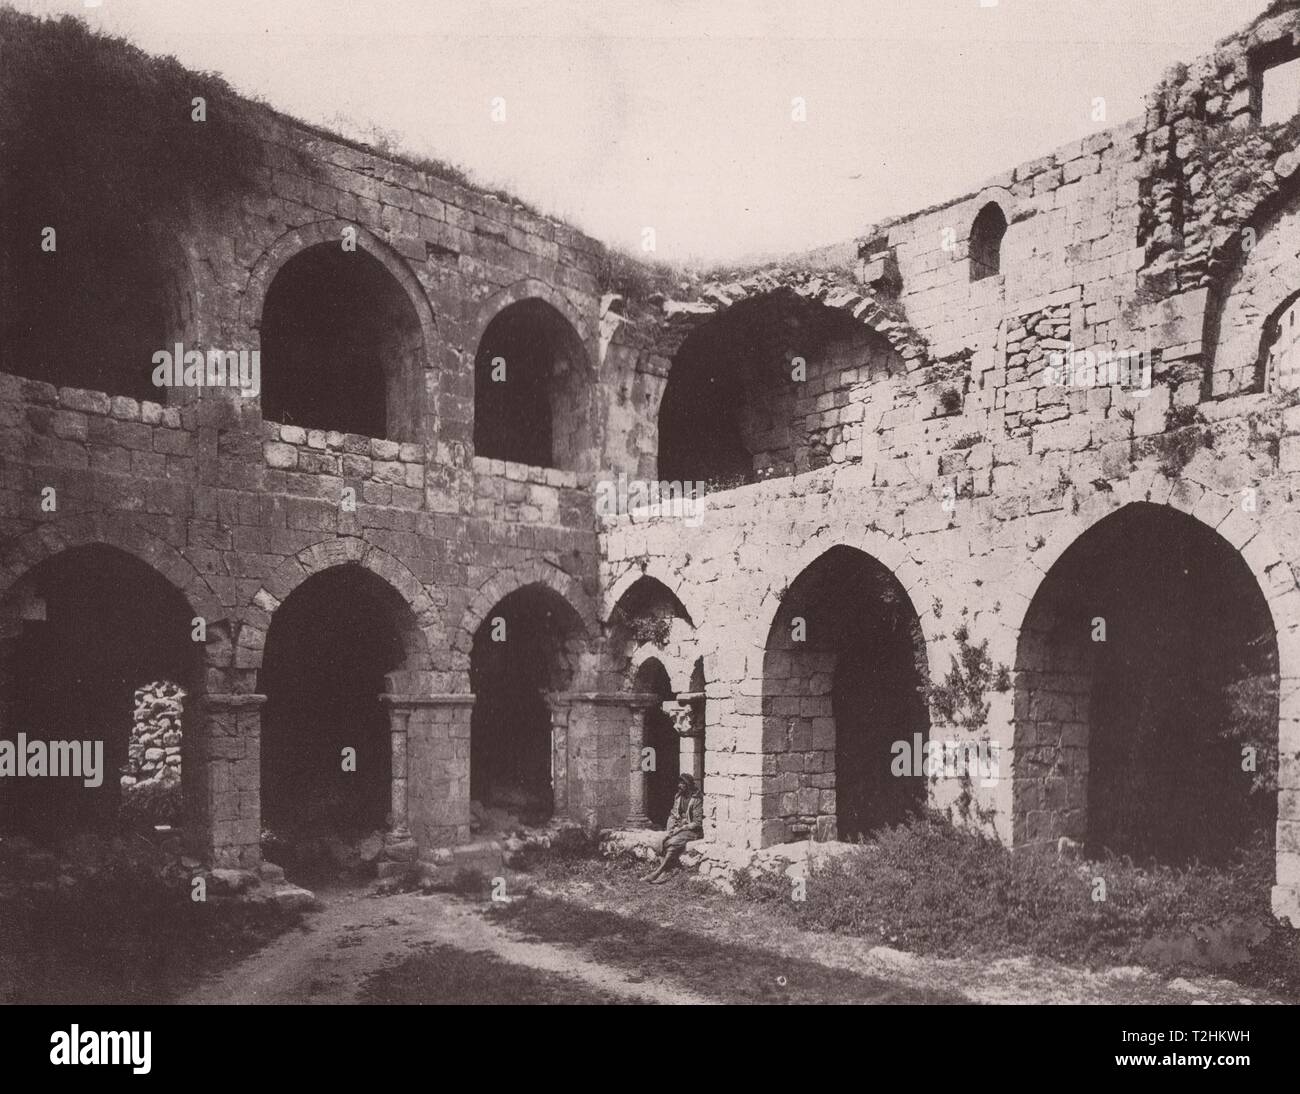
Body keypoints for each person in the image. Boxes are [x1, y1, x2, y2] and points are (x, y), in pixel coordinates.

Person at [641, 774, 703, 883]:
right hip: (679, 828)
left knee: (672, 843)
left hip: (692, 831)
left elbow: (697, 823)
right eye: (679, 783)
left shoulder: (696, 799)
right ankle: (666, 871)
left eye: (682, 783)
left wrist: (682, 828)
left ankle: (657, 872)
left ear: (688, 785)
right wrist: (671, 828)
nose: (679, 786)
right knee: (661, 841)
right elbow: (673, 814)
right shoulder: (678, 797)